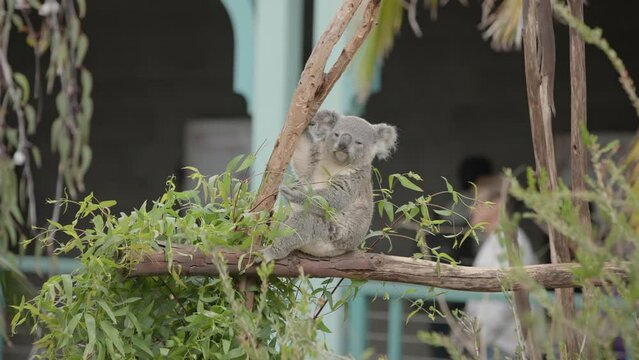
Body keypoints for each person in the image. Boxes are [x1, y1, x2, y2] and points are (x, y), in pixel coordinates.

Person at [465, 175, 539, 358]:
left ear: (498, 203)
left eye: (478, 202)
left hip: (504, 347)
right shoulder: (495, 241)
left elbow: (506, 298)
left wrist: (480, 336)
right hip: (493, 344)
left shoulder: (511, 241)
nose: (471, 209)